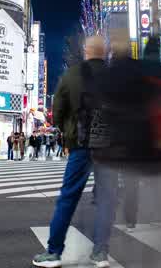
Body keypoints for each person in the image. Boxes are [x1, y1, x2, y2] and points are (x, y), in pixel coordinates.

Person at [33, 35, 112, 268]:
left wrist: (67, 129)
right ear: (104, 52)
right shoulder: (112, 77)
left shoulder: (72, 75)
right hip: (107, 146)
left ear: (86, 51)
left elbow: (57, 112)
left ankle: (54, 252)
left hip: (80, 143)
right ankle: (100, 253)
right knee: (106, 200)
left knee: (68, 197)